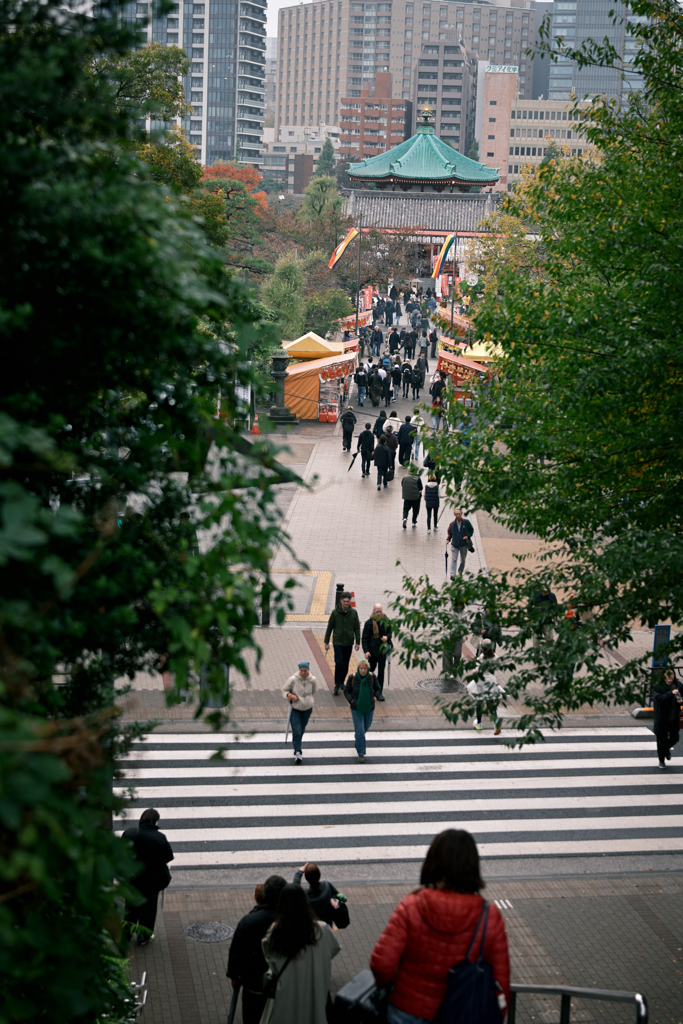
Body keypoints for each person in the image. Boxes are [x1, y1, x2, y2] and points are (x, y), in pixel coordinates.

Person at [370, 829, 510, 1024]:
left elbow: (382, 964)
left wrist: (397, 985)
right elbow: (501, 980)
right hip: (462, 1012)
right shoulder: (488, 915)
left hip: (406, 1009)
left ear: (433, 862)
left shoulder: (411, 905)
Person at [260, 883, 340, 1024]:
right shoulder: (322, 930)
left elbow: (270, 958)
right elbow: (333, 949)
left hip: (286, 997)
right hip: (314, 994)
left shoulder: (275, 932)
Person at [227, 875, 288, 1024]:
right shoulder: (290, 920)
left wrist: (234, 975)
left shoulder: (249, 922)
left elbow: (236, 951)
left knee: (252, 1017)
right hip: (284, 986)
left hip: (253, 983)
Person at [122, 808, 174, 945]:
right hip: (151, 880)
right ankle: (143, 937)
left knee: (130, 908)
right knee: (148, 911)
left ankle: (125, 935)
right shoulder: (159, 838)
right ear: (155, 821)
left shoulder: (130, 833)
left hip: (132, 878)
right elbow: (168, 857)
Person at [344, 658, 382, 761]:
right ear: (358, 668)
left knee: (366, 727)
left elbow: (378, 688)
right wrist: (351, 700)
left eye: (365, 668)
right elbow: (346, 690)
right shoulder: (353, 677)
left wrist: (375, 697)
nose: (363, 670)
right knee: (360, 730)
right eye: (361, 668)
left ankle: (358, 740)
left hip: (369, 707)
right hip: (357, 708)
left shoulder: (372, 677)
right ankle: (361, 753)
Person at [324, 593, 361, 695]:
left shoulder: (353, 613)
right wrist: (326, 641)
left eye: (347, 601)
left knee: (345, 664)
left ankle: (341, 682)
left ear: (349, 602)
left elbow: (357, 628)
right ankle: (337, 684)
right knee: (339, 662)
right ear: (340, 601)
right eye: (344, 601)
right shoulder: (335, 613)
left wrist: (358, 642)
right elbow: (330, 627)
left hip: (348, 642)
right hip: (338, 642)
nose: (346, 603)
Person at [467, 639, 504, 733]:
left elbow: (476, 671)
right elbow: (499, 666)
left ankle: (478, 723)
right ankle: (496, 723)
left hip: (481, 681)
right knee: (490, 703)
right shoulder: (495, 656)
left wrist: (473, 667)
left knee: (479, 702)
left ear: (482, 647)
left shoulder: (481, 658)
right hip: (492, 680)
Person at [284, 661, 318, 763]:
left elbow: (313, 691)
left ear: (308, 670)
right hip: (295, 709)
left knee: (301, 729)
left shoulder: (312, 680)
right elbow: (285, 690)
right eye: (301, 670)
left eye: (305, 670)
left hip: (307, 709)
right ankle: (298, 751)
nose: (303, 672)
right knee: (297, 730)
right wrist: (290, 696)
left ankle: (297, 742)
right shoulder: (293, 679)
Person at [653, 668, 682, 769]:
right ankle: (661, 760)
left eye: (672, 674)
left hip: (674, 718)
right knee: (661, 740)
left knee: (675, 738)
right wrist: (671, 693)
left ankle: (665, 750)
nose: (670, 676)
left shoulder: (679, 685)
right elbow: (659, 700)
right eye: (668, 674)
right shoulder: (658, 687)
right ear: (664, 676)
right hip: (662, 719)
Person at [362, 604, 392, 699]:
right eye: (377, 611)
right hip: (372, 651)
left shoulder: (386, 621)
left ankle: (379, 692)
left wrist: (387, 637)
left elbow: (390, 632)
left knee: (381, 672)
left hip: (382, 651)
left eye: (380, 611)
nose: (379, 613)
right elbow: (364, 638)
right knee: (370, 671)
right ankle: (367, 689)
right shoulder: (369, 623)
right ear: (373, 610)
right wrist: (366, 651)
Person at [447, 507, 474, 576]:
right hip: (455, 544)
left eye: (459, 514)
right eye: (456, 514)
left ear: (461, 514)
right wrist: (448, 539)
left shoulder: (466, 522)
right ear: (454, 515)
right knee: (454, 559)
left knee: (463, 561)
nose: (458, 515)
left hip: (463, 545)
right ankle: (452, 574)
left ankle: (460, 572)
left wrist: (468, 536)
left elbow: (471, 530)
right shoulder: (452, 524)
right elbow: (450, 532)